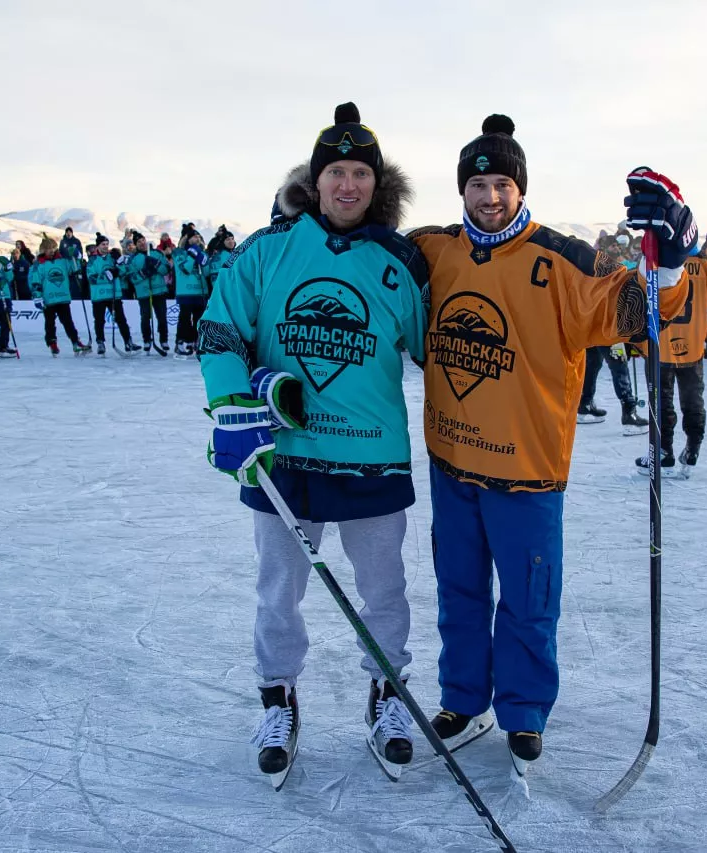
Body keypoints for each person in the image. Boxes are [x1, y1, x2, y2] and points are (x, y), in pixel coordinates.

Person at [406, 115, 696, 773]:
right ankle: (460, 696)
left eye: (501, 183)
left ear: (520, 187)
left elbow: (636, 312)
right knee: (459, 590)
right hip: (452, 464)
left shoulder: (563, 259)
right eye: (478, 183)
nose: (489, 196)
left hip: (527, 472)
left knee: (529, 600)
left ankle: (524, 709)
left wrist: (671, 266)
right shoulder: (434, 249)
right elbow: (367, 261)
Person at [200, 103, 429, 782]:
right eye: (337, 172)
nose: (348, 185)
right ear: (317, 179)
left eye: (361, 173)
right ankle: (279, 696)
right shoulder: (269, 249)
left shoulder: (400, 261)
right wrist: (233, 402)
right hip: (282, 456)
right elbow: (220, 330)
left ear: (376, 184)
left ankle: (387, 693)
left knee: (385, 591)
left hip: (372, 456)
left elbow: (439, 352)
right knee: (278, 591)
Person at [634, 248, 707, 474]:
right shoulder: (703, 265)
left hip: (659, 346)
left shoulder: (653, 260)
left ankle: (663, 451)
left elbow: (638, 299)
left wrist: (635, 339)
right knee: (693, 401)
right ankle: (693, 448)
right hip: (692, 346)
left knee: (661, 401)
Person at [29, 234, 91, 356]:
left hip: (63, 297)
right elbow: (36, 281)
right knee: (50, 322)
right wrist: (37, 296)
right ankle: (52, 343)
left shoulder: (62, 261)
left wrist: (75, 256)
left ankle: (75, 342)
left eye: (53, 248)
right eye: (48, 249)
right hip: (49, 299)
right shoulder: (39, 265)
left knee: (68, 322)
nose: (51, 251)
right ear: (43, 250)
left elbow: (74, 269)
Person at [88, 233, 138, 355]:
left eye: (107, 244)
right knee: (99, 320)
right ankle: (100, 342)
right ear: (97, 246)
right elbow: (91, 278)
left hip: (114, 294)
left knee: (121, 319)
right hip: (99, 296)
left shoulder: (112, 257)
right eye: (103, 244)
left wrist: (118, 267)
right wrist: (106, 275)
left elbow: (123, 271)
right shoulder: (93, 260)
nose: (105, 246)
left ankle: (128, 342)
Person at [578, 346, 648, 432]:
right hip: (609, 334)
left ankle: (585, 403)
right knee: (619, 363)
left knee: (594, 359)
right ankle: (629, 413)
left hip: (592, 333)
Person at [126, 231, 169, 354]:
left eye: (143, 240)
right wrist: (144, 273)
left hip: (159, 291)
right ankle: (147, 340)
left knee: (162, 317)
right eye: (138, 242)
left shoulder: (156, 253)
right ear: (135, 245)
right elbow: (131, 277)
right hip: (144, 293)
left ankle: (163, 339)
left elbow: (166, 270)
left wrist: (156, 264)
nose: (142, 243)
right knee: (145, 317)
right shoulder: (133, 259)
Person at [173, 226, 209, 357]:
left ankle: (196, 342)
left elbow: (206, 273)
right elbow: (185, 269)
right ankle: (181, 342)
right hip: (185, 292)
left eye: (199, 237)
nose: (197, 239)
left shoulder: (203, 253)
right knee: (185, 319)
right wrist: (192, 255)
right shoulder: (178, 252)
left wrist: (202, 259)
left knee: (199, 319)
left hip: (201, 292)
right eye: (194, 236)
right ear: (187, 239)